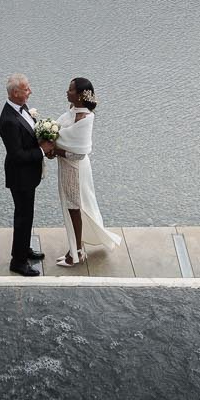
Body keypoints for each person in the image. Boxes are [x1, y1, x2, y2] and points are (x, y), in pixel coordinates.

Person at [46, 76, 122, 267]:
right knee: (71, 207)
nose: (67, 92)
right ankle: (75, 249)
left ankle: (76, 253)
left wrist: (55, 150)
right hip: (66, 165)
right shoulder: (71, 112)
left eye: (71, 89)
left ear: (80, 95)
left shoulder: (86, 118)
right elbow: (60, 135)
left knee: (74, 207)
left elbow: (79, 153)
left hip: (76, 169)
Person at [0, 73, 47, 276]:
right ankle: (18, 262)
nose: (30, 91)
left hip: (28, 175)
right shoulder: (8, 120)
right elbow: (17, 155)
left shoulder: (21, 107)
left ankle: (23, 249)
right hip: (20, 176)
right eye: (26, 89)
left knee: (27, 215)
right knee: (23, 218)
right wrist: (43, 150)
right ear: (15, 93)